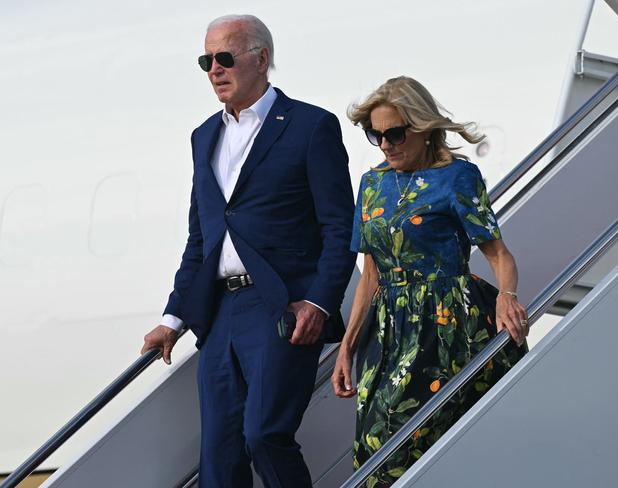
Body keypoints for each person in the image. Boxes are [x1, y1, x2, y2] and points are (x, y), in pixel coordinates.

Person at [140, 14, 356, 488]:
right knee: (219, 457)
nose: (214, 70)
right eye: (206, 61)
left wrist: (320, 301)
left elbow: (341, 227)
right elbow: (202, 239)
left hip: (282, 307)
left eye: (224, 58)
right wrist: (173, 319)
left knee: (264, 434)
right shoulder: (203, 137)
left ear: (261, 58)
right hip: (219, 314)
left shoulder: (310, 126)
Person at [331, 76, 528, 486]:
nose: (385, 145)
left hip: (445, 324)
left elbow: (498, 253)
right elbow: (370, 274)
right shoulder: (372, 186)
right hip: (386, 332)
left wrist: (506, 296)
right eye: (375, 135)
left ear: (423, 129)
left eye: (395, 134)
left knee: (403, 437)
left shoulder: (458, 176)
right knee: (373, 443)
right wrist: (346, 348)